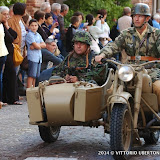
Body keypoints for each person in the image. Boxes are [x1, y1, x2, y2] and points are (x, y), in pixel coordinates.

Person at [95, 3, 160, 106]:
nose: (136, 19)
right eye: (134, 16)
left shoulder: (156, 34)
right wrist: (102, 54)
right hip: (130, 69)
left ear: (147, 18)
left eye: (140, 16)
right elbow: (113, 45)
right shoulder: (126, 33)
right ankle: (109, 116)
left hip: (152, 69)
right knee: (111, 90)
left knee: (158, 88)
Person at [0, 6, 21, 105]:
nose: (7, 16)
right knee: (10, 74)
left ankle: (11, 97)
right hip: (5, 53)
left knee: (11, 74)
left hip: (8, 53)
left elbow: (15, 35)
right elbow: (10, 38)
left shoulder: (4, 25)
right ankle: (10, 98)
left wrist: (7, 25)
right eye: (4, 14)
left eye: (7, 14)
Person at [26, 19, 46, 88]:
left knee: (35, 76)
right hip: (33, 57)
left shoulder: (38, 35)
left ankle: (33, 89)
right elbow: (37, 46)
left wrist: (37, 45)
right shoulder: (29, 35)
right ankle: (29, 90)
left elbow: (44, 45)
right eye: (32, 25)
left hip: (38, 58)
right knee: (31, 75)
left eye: (35, 25)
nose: (34, 27)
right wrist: (38, 45)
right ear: (29, 27)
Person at [0, 10, 9, 107]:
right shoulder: (2, 25)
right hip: (3, 52)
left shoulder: (2, 25)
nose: (6, 16)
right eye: (4, 14)